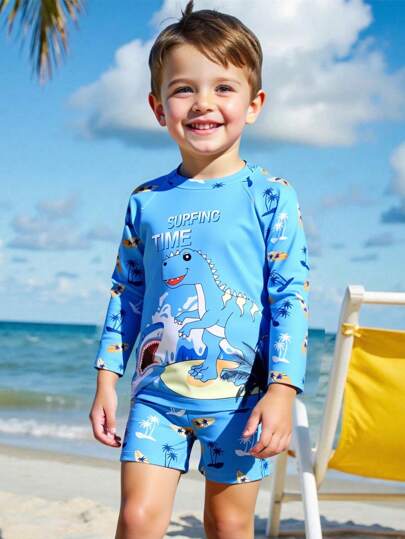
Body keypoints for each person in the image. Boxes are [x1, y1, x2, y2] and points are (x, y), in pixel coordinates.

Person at [89, 1, 310, 538]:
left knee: (227, 524)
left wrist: (282, 390)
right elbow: (127, 293)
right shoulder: (146, 202)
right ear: (158, 106)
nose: (203, 103)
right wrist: (106, 379)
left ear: (254, 104)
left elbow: (289, 296)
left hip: (241, 400)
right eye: (184, 88)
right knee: (136, 519)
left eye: (223, 88)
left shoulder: (271, 196)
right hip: (156, 396)